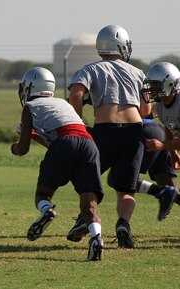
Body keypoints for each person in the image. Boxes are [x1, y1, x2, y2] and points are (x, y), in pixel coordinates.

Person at [68, 24, 152, 249]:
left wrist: (79, 124)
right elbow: (146, 111)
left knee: (90, 182)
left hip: (105, 131)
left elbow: (75, 95)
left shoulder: (90, 69)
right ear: (122, 46)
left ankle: (84, 219)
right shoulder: (138, 72)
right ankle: (123, 224)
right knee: (126, 189)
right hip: (134, 133)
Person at [11, 67, 103, 261]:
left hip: (64, 143)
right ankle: (97, 237)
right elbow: (65, 138)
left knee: (42, 194)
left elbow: (23, 149)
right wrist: (37, 137)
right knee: (89, 206)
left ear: (29, 87)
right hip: (88, 143)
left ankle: (47, 211)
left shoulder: (29, 107)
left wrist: (15, 147)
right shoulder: (63, 103)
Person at [143, 62, 180, 176]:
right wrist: (173, 152)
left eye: (155, 86)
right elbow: (168, 126)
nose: (151, 90)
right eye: (151, 85)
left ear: (169, 84)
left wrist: (163, 145)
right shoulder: (160, 106)